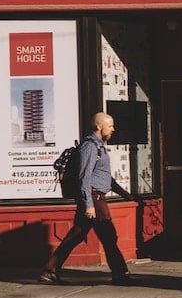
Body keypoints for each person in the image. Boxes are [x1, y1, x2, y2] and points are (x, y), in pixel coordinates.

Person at [39, 112, 134, 285]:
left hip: (96, 196)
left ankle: (49, 270)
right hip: (94, 197)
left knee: (77, 235)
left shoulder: (99, 146)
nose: (113, 129)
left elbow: (104, 176)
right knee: (108, 236)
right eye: (110, 125)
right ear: (99, 126)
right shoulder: (89, 147)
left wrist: (125, 194)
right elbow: (84, 177)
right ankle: (121, 275)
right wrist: (88, 204)